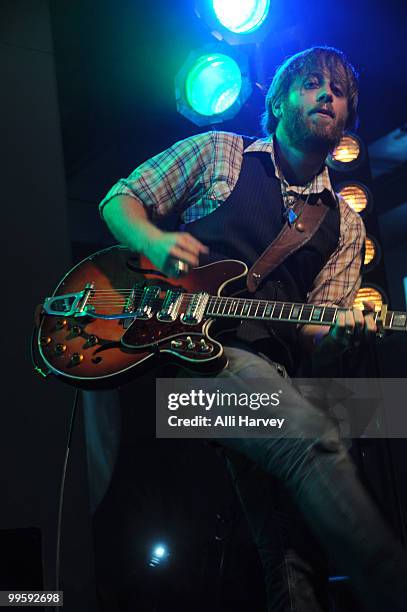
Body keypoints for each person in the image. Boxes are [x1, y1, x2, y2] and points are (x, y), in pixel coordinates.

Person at [97, 46, 407, 611]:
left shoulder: (347, 224)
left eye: (338, 91)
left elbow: (316, 337)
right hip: (192, 369)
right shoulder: (222, 153)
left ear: (347, 116)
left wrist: (338, 337)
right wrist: (155, 241)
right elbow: (119, 200)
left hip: (277, 378)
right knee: (314, 441)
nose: (326, 96)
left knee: (294, 551)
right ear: (281, 98)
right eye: (312, 84)